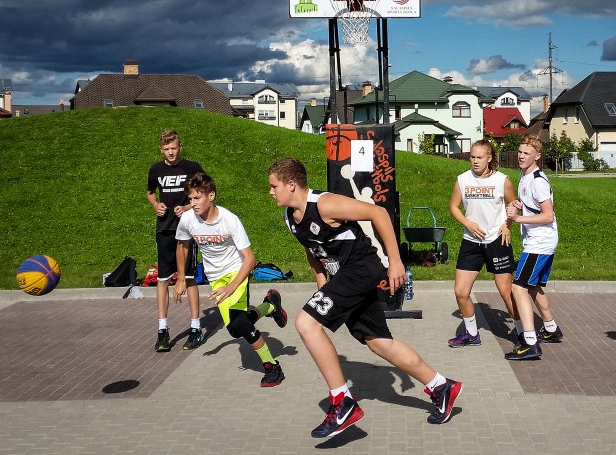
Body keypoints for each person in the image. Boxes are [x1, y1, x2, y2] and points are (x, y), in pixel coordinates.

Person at [268, 157, 463, 439]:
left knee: (306, 324)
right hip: (346, 277)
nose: (271, 192)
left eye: (274, 186)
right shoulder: (290, 217)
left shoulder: (325, 204)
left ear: (290, 184)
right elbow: (312, 249)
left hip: (361, 269)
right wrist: (321, 283)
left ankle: (342, 402)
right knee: (380, 343)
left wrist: (395, 262)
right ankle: (441, 386)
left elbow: (379, 213)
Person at [175, 172, 287, 387]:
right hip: (216, 278)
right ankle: (269, 306)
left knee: (239, 324)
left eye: (197, 198)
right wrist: (181, 278)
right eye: (190, 199)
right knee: (235, 330)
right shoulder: (188, 219)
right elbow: (182, 245)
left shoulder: (229, 220)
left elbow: (250, 258)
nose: (193, 203)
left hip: (236, 273)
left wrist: (232, 285)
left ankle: (272, 367)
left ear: (211, 196)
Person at [447, 139, 520, 347]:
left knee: (506, 292)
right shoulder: (462, 180)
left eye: (480, 157)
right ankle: (471, 334)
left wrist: (507, 226)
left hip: (497, 240)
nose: (475, 161)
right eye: (472, 157)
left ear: (489, 158)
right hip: (471, 242)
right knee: (461, 292)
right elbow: (453, 207)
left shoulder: (502, 180)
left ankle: (522, 332)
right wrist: (468, 223)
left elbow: (513, 206)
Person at [504, 135, 563, 361]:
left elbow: (548, 215)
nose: (521, 156)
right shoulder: (524, 175)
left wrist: (518, 219)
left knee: (518, 288)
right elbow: (534, 206)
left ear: (537, 156)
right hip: (539, 241)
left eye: (526, 153)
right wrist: (521, 205)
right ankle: (550, 328)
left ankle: (529, 343)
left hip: (540, 242)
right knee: (533, 287)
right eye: (519, 152)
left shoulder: (538, 180)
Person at [146, 130, 205, 352]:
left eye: (174, 148)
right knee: (162, 278)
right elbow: (150, 192)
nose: (171, 152)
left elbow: (204, 190)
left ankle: (195, 328)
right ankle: (162, 330)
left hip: (188, 229)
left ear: (180, 147)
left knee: (189, 277)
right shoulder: (156, 170)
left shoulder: (191, 167)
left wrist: (189, 206)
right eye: (166, 149)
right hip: (164, 229)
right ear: (161, 149)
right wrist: (155, 205)